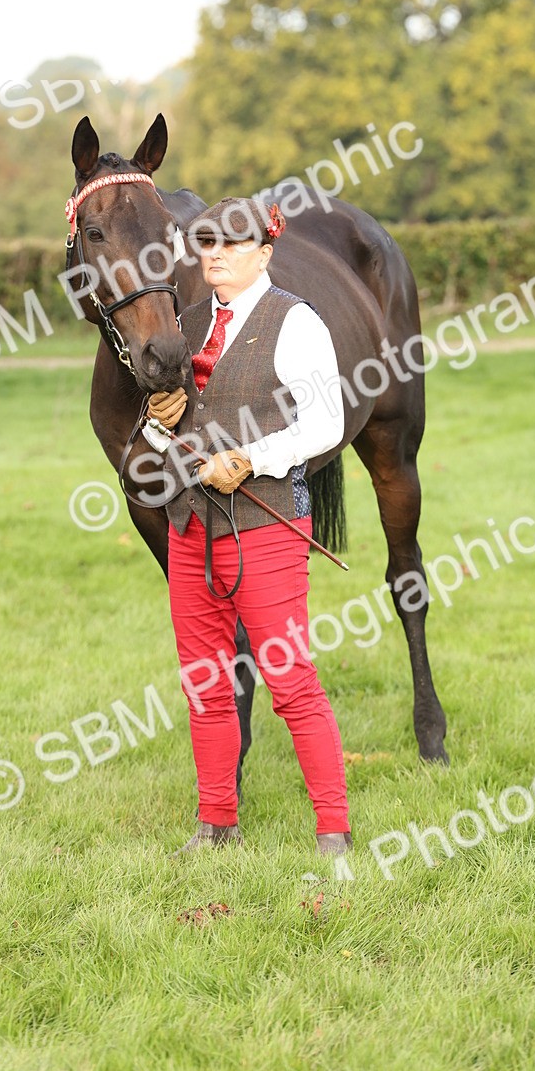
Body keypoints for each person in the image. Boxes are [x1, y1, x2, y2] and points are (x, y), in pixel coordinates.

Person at [142, 197, 352, 856]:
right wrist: (157, 417)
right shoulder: (188, 323)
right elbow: (167, 433)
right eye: (207, 243)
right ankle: (216, 825)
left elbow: (326, 425)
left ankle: (334, 835)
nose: (216, 255)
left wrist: (252, 458)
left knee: (291, 683)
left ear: (264, 252)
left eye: (232, 244)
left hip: (266, 531)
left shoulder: (296, 323)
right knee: (205, 683)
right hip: (188, 530)